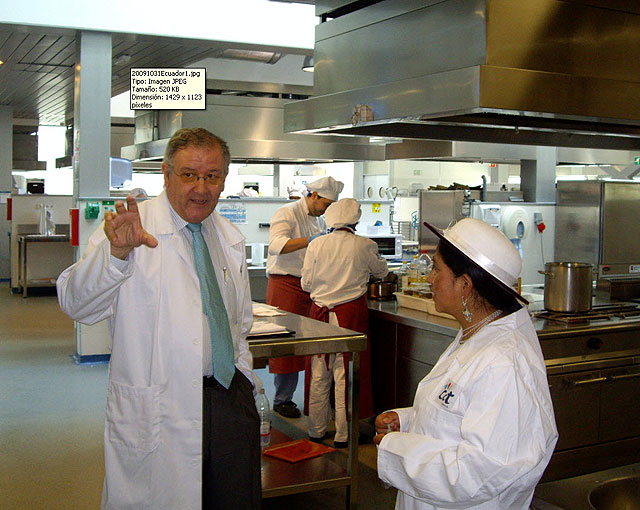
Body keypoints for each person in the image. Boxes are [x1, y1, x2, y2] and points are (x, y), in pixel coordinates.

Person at [57, 128, 261, 510]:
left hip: (230, 401)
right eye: (188, 174)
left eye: (212, 176)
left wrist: (246, 382)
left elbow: (239, 324)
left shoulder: (228, 236)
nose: (201, 188)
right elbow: (76, 304)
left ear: (224, 179)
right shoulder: (131, 229)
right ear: (166, 174)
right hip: (162, 406)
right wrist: (116, 255)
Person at [374, 218, 558, 510]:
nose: (430, 278)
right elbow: (461, 413)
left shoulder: (504, 363)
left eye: (436, 268)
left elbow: (477, 473)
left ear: (465, 285)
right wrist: (408, 421)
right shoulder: (478, 333)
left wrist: (395, 447)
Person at [301, 198, 388, 447]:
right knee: (346, 375)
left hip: (319, 315)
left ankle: (316, 430)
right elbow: (381, 271)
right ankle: (343, 434)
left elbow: (306, 284)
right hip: (350, 315)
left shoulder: (316, 245)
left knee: (319, 374)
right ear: (356, 220)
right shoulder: (364, 245)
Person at [265, 176, 344, 418]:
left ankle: (315, 398)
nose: (327, 210)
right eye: (326, 205)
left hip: (309, 287)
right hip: (285, 284)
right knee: (286, 345)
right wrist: (309, 241)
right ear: (314, 196)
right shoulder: (286, 213)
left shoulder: (318, 221)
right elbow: (276, 245)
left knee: (308, 345)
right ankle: (282, 399)